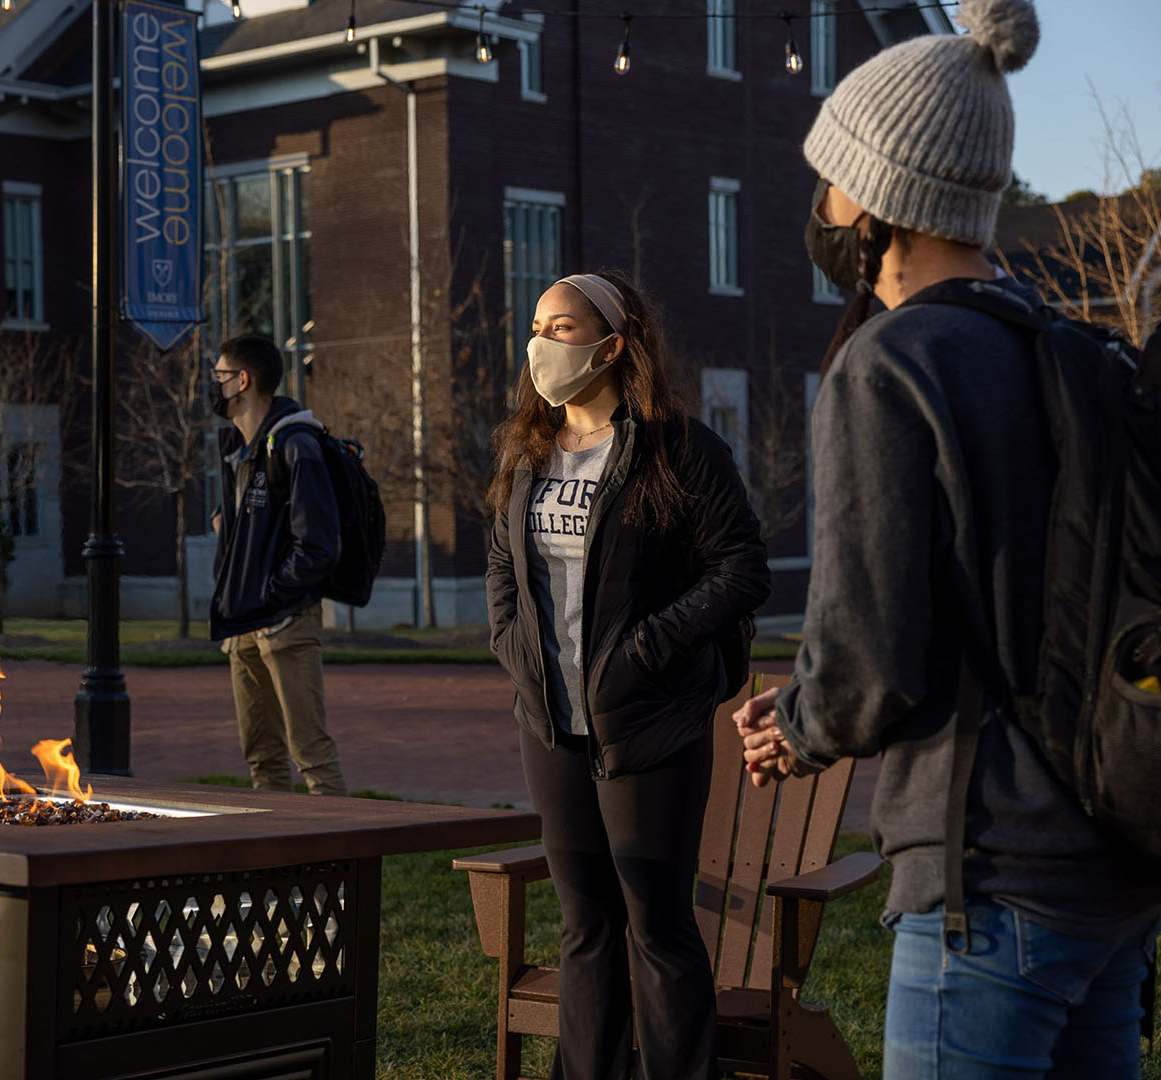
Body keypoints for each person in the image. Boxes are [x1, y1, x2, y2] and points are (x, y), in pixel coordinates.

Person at [736, 1, 1161, 1076]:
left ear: (883, 201)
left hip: (987, 878)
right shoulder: (1076, 352)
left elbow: (870, 662)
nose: (819, 202)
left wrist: (795, 724)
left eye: (831, 175)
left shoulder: (893, 367)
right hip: (1115, 867)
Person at [486, 271, 769, 1080]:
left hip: (649, 723)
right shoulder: (527, 450)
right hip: (552, 725)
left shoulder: (676, 447)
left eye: (562, 327)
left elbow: (742, 569)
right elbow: (503, 568)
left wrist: (648, 649)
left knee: (656, 925)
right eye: (538, 324)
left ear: (612, 345)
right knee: (584, 926)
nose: (542, 342)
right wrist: (514, 646)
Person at [208, 334, 347, 796]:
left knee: (312, 756)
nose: (215, 384)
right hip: (243, 622)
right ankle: (275, 863)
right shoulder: (236, 447)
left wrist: (273, 594)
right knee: (262, 759)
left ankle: (341, 862)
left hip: (283, 622)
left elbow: (318, 545)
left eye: (220, 375)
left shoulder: (296, 444)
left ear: (242, 381)